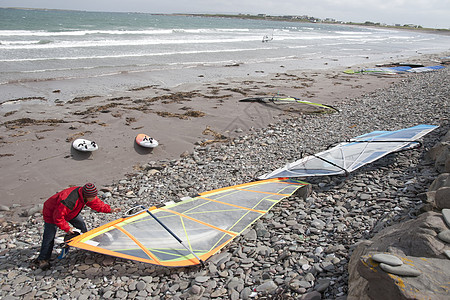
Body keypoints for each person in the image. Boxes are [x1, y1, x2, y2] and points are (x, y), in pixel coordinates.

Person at [35, 183, 121, 270]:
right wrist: (67, 229)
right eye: (93, 197)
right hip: (52, 212)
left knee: (82, 227)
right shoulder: (69, 200)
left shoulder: (87, 195)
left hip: (71, 211)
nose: (95, 198)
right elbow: (58, 217)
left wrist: (110, 210)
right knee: (49, 236)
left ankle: (85, 245)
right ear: (86, 195)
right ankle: (43, 259)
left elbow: (96, 204)